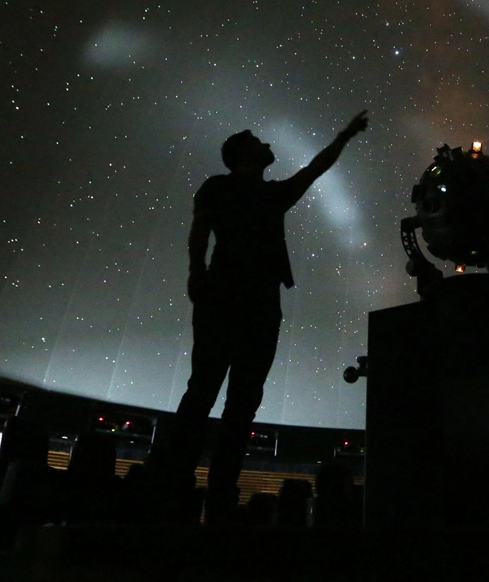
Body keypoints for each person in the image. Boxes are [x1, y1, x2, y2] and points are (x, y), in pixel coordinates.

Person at [155, 110, 368, 519]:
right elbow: (200, 228)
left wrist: (344, 135)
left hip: (247, 303)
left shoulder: (265, 194)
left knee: (233, 401)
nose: (266, 143)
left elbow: (316, 168)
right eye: (257, 140)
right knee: (212, 395)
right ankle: (180, 487)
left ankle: (204, 491)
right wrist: (196, 271)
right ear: (242, 154)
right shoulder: (222, 187)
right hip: (236, 300)